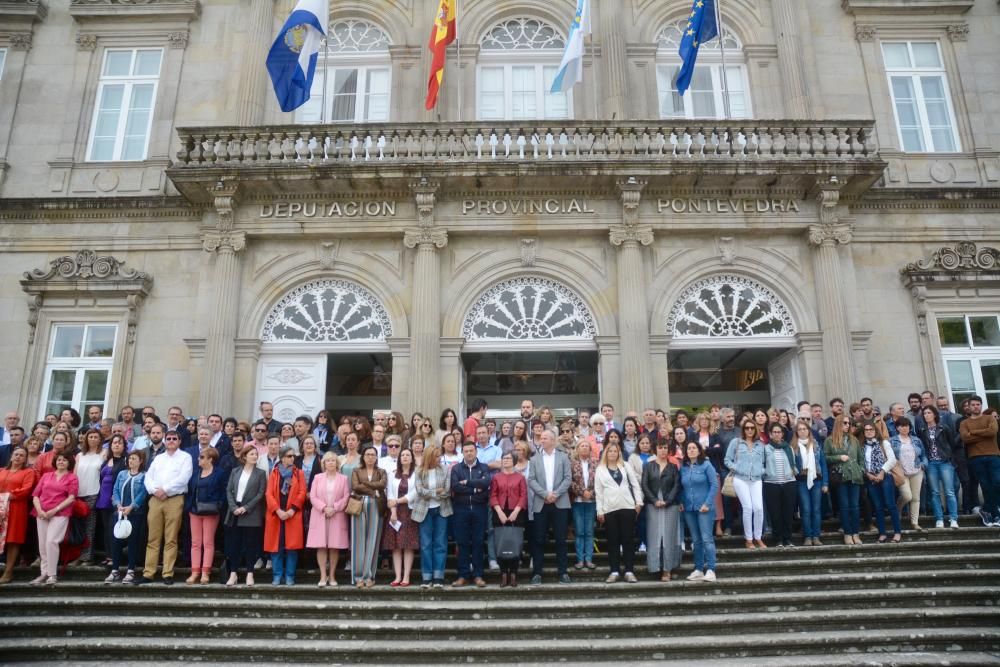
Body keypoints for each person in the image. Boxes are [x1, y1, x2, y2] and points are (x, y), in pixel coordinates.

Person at [137, 430, 192, 585]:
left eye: (175, 438)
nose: (171, 441)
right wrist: (155, 491)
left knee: (171, 538)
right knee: (153, 538)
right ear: (165, 440)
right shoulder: (158, 458)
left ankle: (167, 573)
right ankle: (148, 573)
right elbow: (148, 477)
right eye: (169, 438)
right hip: (155, 500)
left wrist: (165, 489)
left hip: (174, 499)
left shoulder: (185, 457)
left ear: (180, 441)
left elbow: (184, 478)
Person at [527, 430, 573, 585]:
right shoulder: (534, 459)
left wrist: (556, 494)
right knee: (539, 539)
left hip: (560, 503)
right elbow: (531, 480)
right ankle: (537, 573)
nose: (542, 440)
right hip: (541, 504)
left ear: (553, 441)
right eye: (541, 438)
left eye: (545, 438)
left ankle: (563, 572)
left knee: (561, 539)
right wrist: (545, 494)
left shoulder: (563, 457)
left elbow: (568, 478)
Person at [595, 441, 643, 583]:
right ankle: (614, 571)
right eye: (610, 451)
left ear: (619, 453)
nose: (613, 453)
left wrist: (639, 502)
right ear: (606, 453)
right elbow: (599, 492)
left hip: (627, 507)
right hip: (610, 508)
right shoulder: (600, 469)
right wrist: (600, 510)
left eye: (615, 451)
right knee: (613, 541)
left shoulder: (625, 466)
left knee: (627, 540)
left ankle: (629, 571)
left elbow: (635, 485)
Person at [31, 451, 78, 585]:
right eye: (58, 460)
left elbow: (71, 497)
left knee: (51, 541)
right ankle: (43, 573)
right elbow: (35, 495)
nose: (61, 462)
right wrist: (39, 510)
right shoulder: (46, 476)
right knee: (42, 544)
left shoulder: (72, 477)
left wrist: (54, 510)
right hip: (41, 513)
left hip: (60, 513)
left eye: (64, 460)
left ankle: (52, 574)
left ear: (69, 462)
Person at [410, 446, 452, 589]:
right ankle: (427, 577)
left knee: (440, 543)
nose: (439, 458)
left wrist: (431, 492)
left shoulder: (445, 470)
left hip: (441, 510)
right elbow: (420, 491)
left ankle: (438, 576)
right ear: (429, 457)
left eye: (439, 456)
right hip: (425, 511)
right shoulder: (419, 471)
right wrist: (436, 492)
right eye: (436, 456)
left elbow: (446, 491)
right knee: (426, 544)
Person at [224, 447, 267, 587]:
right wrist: (233, 507)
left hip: (251, 512)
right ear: (244, 456)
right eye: (251, 454)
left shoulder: (261, 473)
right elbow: (229, 490)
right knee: (234, 544)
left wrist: (246, 508)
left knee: (250, 544)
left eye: (256, 454)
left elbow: (260, 494)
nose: (254, 456)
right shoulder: (235, 471)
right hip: (234, 511)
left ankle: (250, 573)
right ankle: (233, 573)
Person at [450, 441, 491, 588]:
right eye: (466, 451)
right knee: (462, 543)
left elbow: (485, 484)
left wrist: (467, 483)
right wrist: (474, 488)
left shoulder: (484, 467)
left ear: (476, 451)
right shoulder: (456, 469)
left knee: (479, 542)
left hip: (480, 509)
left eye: (471, 450)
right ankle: (463, 575)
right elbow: (455, 487)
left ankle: (478, 575)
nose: (469, 453)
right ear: (462, 452)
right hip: (461, 509)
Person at [306, 452, 350, 587]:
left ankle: (332, 576)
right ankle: (323, 575)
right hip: (320, 514)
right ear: (323, 463)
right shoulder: (317, 477)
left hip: (337, 515)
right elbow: (312, 497)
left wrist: (335, 508)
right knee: (321, 546)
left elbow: (346, 496)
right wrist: (324, 508)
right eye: (327, 461)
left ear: (337, 463)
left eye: (333, 460)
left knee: (334, 546)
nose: (330, 462)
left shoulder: (343, 478)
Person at [265, 446, 307, 586]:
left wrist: (292, 510)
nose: (292, 458)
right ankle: (277, 575)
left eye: (293, 456)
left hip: (292, 515)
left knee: (292, 548)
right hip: (276, 515)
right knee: (276, 548)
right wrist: (277, 510)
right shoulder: (274, 473)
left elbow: (302, 492)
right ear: (282, 458)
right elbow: (269, 494)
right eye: (289, 456)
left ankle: (290, 576)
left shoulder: (298, 473)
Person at [641, 438, 681, 582]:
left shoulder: (673, 467)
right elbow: (644, 485)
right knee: (654, 537)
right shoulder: (648, 466)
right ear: (655, 449)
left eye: (665, 447)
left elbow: (677, 485)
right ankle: (655, 567)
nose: (663, 450)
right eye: (660, 447)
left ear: (668, 450)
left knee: (670, 537)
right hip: (653, 506)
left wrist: (667, 501)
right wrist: (654, 500)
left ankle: (668, 569)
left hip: (671, 505)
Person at [185, 447, 227, 584]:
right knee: (195, 543)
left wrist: (219, 505)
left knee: (208, 542)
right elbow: (191, 491)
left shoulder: (219, 473)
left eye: (202, 457)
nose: (199, 459)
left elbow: (223, 491)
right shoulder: (196, 473)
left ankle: (205, 572)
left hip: (211, 511)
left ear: (211, 459)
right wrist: (190, 507)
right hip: (195, 511)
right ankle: (195, 571)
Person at [681, 439, 720, 582]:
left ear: (699, 450)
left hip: (704, 508)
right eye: (689, 448)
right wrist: (681, 501)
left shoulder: (706, 464)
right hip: (689, 508)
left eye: (693, 448)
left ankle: (711, 569)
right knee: (696, 540)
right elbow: (681, 486)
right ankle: (698, 569)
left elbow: (714, 485)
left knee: (706, 539)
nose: (691, 450)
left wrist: (707, 503)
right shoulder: (683, 467)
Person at [724, 420, 767, 550]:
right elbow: (727, 459)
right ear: (743, 429)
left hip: (756, 479)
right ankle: (749, 539)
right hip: (740, 479)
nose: (749, 430)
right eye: (747, 428)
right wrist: (735, 468)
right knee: (747, 507)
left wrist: (762, 471)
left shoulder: (760, 444)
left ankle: (758, 537)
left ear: (755, 429)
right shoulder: (736, 442)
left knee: (758, 508)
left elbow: (765, 462)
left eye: (752, 428)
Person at [957, 396, 999, 526]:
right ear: (969, 407)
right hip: (975, 458)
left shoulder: (990, 418)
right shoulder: (964, 423)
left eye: (978, 404)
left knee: (997, 482)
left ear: (981, 405)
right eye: (973, 405)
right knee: (985, 485)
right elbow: (965, 438)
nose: (976, 407)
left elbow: (992, 432)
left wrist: (973, 433)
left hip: (993, 455)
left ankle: (987, 509)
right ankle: (995, 514)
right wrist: (983, 433)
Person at [107, 449, 147, 584]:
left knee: (133, 542)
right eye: (130, 458)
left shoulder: (143, 476)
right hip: (119, 512)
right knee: (116, 541)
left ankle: (130, 570)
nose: (131, 461)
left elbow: (143, 494)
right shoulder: (122, 474)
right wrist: (118, 504)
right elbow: (116, 490)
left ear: (140, 461)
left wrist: (132, 507)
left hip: (135, 514)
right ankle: (115, 570)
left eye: (134, 459)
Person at [825, 415, 865, 546]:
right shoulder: (830, 440)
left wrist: (861, 470)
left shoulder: (854, 440)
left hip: (855, 476)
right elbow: (825, 458)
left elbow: (861, 458)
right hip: (841, 476)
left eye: (849, 423)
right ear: (838, 424)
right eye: (845, 423)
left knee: (855, 506)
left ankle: (855, 533)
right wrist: (838, 457)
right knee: (844, 506)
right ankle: (847, 533)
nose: (848, 425)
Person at [919, 405, 961, 529]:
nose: (926, 415)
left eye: (929, 413)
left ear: (935, 415)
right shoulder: (922, 430)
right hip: (931, 463)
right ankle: (939, 519)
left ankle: (953, 518)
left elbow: (951, 444)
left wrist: (948, 457)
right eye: (925, 413)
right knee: (935, 492)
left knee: (949, 491)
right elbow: (923, 447)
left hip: (945, 462)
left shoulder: (944, 427)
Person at [490, 450, 527, 587]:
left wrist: (516, 511)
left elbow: (523, 496)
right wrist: (499, 511)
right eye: (503, 458)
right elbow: (493, 495)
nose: (505, 460)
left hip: (516, 512)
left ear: (514, 460)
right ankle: (503, 573)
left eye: (508, 458)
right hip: (499, 511)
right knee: (501, 542)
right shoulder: (496, 477)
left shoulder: (520, 477)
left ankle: (514, 574)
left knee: (515, 542)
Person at [350, 446, 386, 588]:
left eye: (373, 455)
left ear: (376, 457)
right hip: (359, 505)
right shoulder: (356, 470)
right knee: (358, 540)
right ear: (363, 457)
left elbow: (382, 484)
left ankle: (369, 575)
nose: (370, 457)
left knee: (372, 540)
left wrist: (364, 484)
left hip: (377, 506)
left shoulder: (381, 471)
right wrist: (373, 491)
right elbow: (355, 486)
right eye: (368, 454)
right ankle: (358, 577)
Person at [383, 448, 419, 587]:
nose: (404, 457)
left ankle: (406, 576)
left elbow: (415, 493)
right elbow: (390, 494)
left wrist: (397, 502)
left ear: (412, 458)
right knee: (396, 545)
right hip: (395, 513)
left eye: (407, 455)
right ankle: (397, 576)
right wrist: (392, 511)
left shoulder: (416, 473)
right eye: (402, 455)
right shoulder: (393, 474)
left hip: (409, 511)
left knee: (408, 545)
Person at [861, 421, 902, 543]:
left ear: (875, 431)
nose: (869, 431)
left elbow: (892, 460)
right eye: (866, 430)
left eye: (871, 429)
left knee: (890, 505)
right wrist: (868, 474)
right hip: (871, 478)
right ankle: (882, 533)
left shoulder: (884, 443)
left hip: (885, 476)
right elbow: (861, 463)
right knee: (878, 507)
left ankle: (897, 532)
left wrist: (882, 472)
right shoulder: (861, 446)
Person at [0, 447, 36, 584]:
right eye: (16, 454)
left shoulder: (28, 472)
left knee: (13, 540)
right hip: (0, 508)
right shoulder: (2, 471)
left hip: (16, 509)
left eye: (22, 455)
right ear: (11, 456)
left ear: (25, 459)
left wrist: (6, 495)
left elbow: (25, 490)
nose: (18, 457)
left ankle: (8, 572)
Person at [69, 428, 103, 566]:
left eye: (96, 437)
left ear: (100, 439)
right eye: (90, 437)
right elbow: (74, 475)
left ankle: (87, 557)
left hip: (93, 493)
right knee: (77, 526)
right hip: (78, 494)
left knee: (89, 526)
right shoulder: (79, 456)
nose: (93, 439)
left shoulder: (103, 453)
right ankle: (76, 555)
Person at [763, 424, 800, 548]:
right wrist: (766, 473)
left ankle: (787, 539)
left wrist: (794, 471)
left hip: (789, 483)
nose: (777, 434)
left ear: (782, 434)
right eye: (775, 432)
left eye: (779, 432)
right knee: (775, 513)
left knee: (788, 513)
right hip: (771, 484)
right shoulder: (766, 448)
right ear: (770, 434)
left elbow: (793, 464)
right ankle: (778, 539)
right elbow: (762, 465)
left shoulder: (788, 448)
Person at [793, 420, 828, 546]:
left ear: (809, 430)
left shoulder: (816, 445)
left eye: (804, 429)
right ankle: (808, 536)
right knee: (806, 509)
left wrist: (825, 483)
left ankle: (816, 536)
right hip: (801, 481)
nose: (802, 431)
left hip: (817, 480)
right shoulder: (794, 446)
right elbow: (792, 466)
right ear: (796, 432)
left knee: (816, 509)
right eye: (800, 429)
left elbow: (823, 464)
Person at [889, 418, 927, 531]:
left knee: (915, 498)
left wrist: (923, 464)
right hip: (901, 472)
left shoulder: (916, 440)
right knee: (907, 496)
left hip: (916, 471)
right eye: (901, 426)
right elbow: (889, 456)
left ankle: (915, 522)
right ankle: (898, 509)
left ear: (910, 427)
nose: (904, 428)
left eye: (906, 425)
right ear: (897, 428)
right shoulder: (892, 441)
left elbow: (924, 455)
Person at [96, 435, 127, 567]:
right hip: (103, 497)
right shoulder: (106, 460)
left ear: (124, 446)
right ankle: (108, 555)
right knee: (106, 528)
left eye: (119, 443)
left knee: (114, 528)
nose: (116, 445)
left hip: (116, 498)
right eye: (114, 443)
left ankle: (115, 557)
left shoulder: (125, 461)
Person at [570, 439, 597, 570]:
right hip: (578, 501)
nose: (585, 448)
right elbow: (570, 481)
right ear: (578, 449)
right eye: (582, 446)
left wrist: (591, 493)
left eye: (587, 446)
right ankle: (580, 559)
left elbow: (601, 480)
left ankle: (589, 559)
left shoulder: (596, 464)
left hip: (592, 501)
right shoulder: (572, 464)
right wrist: (582, 492)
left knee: (589, 531)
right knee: (580, 531)